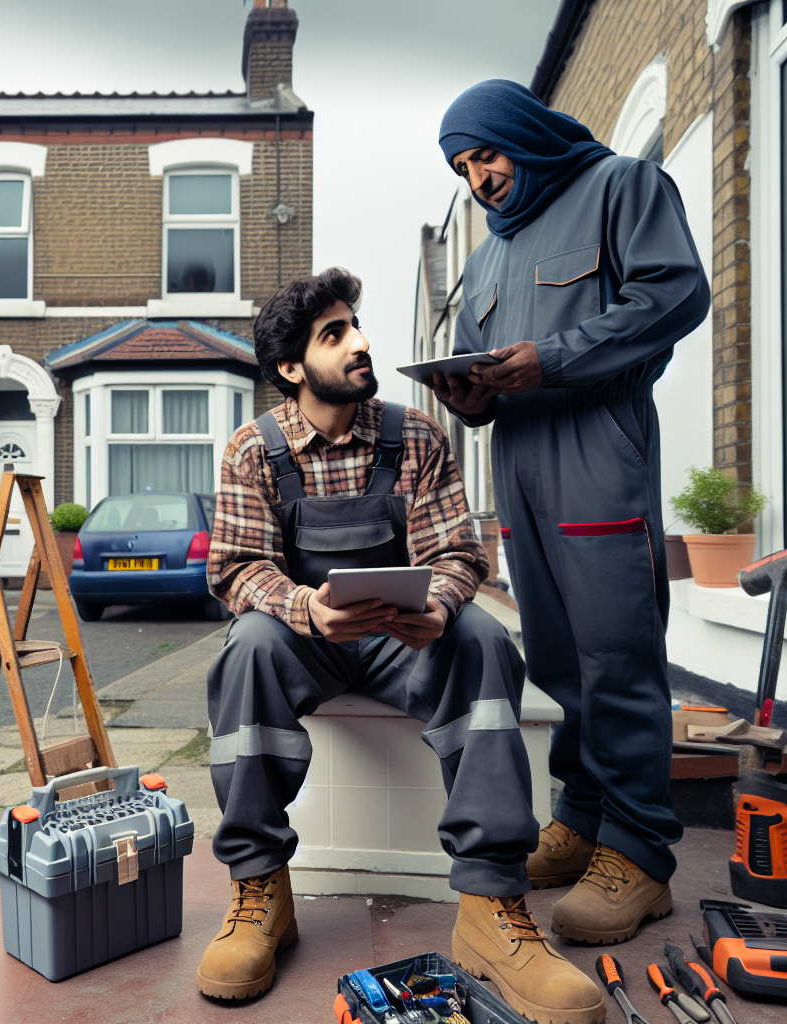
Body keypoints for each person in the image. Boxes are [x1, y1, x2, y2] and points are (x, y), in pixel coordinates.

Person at [195, 267, 605, 1024]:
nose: (361, 343)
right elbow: (238, 569)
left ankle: (491, 906)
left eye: (356, 326)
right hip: (303, 639)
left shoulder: (413, 433)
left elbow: (456, 551)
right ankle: (261, 893)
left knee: (484, 636)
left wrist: (442, 607)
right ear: (291, 368)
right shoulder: (252, 450)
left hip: (401, 639)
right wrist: (306, 609)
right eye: (335, 334)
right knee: (246, 648)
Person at [427, 80, 711, 947]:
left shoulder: (622, 186)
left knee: (615, 649)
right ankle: (583, 818)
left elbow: (676, 294)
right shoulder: (486, 257)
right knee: (556, 651)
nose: (481, 178)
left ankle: (641, 854)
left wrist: (550, 358)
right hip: (518, 463)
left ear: (524, 134)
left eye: (488, 154)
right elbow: (485, 368)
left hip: (597, 450)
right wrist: (468, 392)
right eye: (464, 167)